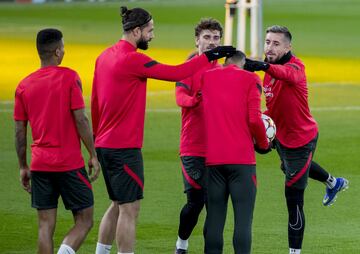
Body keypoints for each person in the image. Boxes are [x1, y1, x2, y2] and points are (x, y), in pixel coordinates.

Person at [91, 7, 235, 254]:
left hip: (104, 143)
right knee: (130, 208)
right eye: (150, 31)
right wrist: (211, 56)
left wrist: (95, 142)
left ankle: (101, 251)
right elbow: (176, 73)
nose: (152, 36)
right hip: (124, 145)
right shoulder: (133, 59)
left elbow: (94, 102)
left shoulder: (103, 56)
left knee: (116, 203)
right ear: (136, 31)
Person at [245, 25, 349, 254]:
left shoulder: (295, 66)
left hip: (302, 140)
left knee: (293, 199)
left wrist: (263, 65)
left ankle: (295, 252)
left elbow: (288, 75)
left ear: (288, 47)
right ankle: (333, 182)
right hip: (282, 138)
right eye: (268, 42)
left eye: (276, 43)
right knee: (289, 167)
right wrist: (263, 130)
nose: (270, 47)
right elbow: (273, 106)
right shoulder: (269, 72)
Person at [14, 28, 100, 254]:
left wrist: (23, 165)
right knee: (85, 220)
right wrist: (92, 153)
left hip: (40, 164)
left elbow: (20, 132)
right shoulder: (69, 77)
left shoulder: (24, 85)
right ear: (57, 51)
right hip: (69, 163)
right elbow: (81, 118)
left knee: (45, 226)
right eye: (63, 47)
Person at [202, 51, 269, 254]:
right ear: (243, 63)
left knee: (214, 218)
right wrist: (264, 144)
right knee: (243, 220)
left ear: (225, 62)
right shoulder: (251, 79)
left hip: (213, 159)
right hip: (242, 161)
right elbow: (255, 119)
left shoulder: (207, 77)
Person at [173, 18, 223, 254]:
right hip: (193, 148)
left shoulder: (223, 70)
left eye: (215, 38)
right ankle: (181, 243)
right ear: (197, 40)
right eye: (207, 37)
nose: (212, 42)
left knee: (215, 205)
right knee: (196, 202)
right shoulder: (189, 67)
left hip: (220, 150)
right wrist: (195, 100)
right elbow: (180, 97)